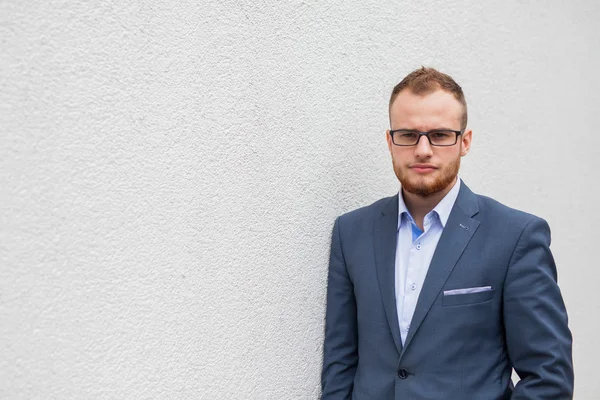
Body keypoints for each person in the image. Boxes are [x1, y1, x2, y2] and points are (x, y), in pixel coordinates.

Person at [320, 67, 574, 399]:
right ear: (390, 141)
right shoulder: (351, 233)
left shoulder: (515, 237)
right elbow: (340, 366)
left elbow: (548, 377)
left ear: (464, 142)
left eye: (439, 135)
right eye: (408, 135)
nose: (423, 150)